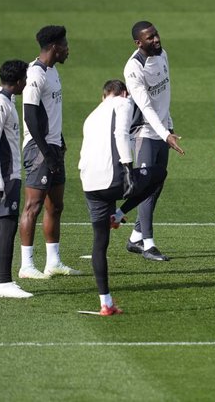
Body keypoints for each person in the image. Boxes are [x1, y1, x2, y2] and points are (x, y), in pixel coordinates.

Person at [79, 80, 172, 315]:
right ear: (123, 93)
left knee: (100, 244)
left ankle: (106, 303)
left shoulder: (91, 116)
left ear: (103, 96)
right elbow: (121, 133)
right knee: (159, 173)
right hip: (113, 179)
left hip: (89, 183)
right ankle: (118, 214)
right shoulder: (123, 103)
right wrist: (128, 168)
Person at [19, 25, 80, 279]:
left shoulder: (52, 72)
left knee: (55, 206)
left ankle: (53, 262)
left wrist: (60, 143)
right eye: (65, 45)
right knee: (33, 206)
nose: (68, 49)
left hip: (53, 147)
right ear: (54, 47)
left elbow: (51, 112)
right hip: (39, 149)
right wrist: (46, 151)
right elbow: (31, 115)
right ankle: (26, 265)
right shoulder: (36, 74)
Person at [124, 20, 184, 261]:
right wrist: (164, 133)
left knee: (156, 186)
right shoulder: (133, 68)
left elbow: (165, 95)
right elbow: (145, 107)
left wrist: (168, 124)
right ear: (139, 43)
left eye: (156, 34)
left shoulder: (163, 54)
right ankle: (148, 245)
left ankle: (136, 236)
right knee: (146, 188)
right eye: (150, 38)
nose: (156, 39)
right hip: (145, 133)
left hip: (162, 129)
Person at [0, 60, 33, 298]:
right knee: (7, 227)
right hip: (4, 175)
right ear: (20, 81)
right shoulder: (0, 104)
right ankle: (5, 283)